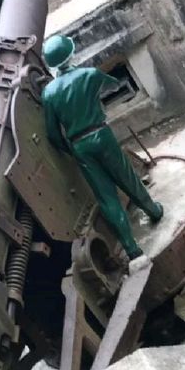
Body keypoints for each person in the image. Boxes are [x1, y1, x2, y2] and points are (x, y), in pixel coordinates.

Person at [41, 34, 163, 261]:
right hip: (101, 134)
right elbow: (113, 85)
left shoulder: (48, 93)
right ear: (70, 54)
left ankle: (131, 249)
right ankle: (153, 211)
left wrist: (72, 149)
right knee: (127, 178)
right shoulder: (89, 75)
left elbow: (52, 134)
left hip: (80, 145)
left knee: (106, 197)